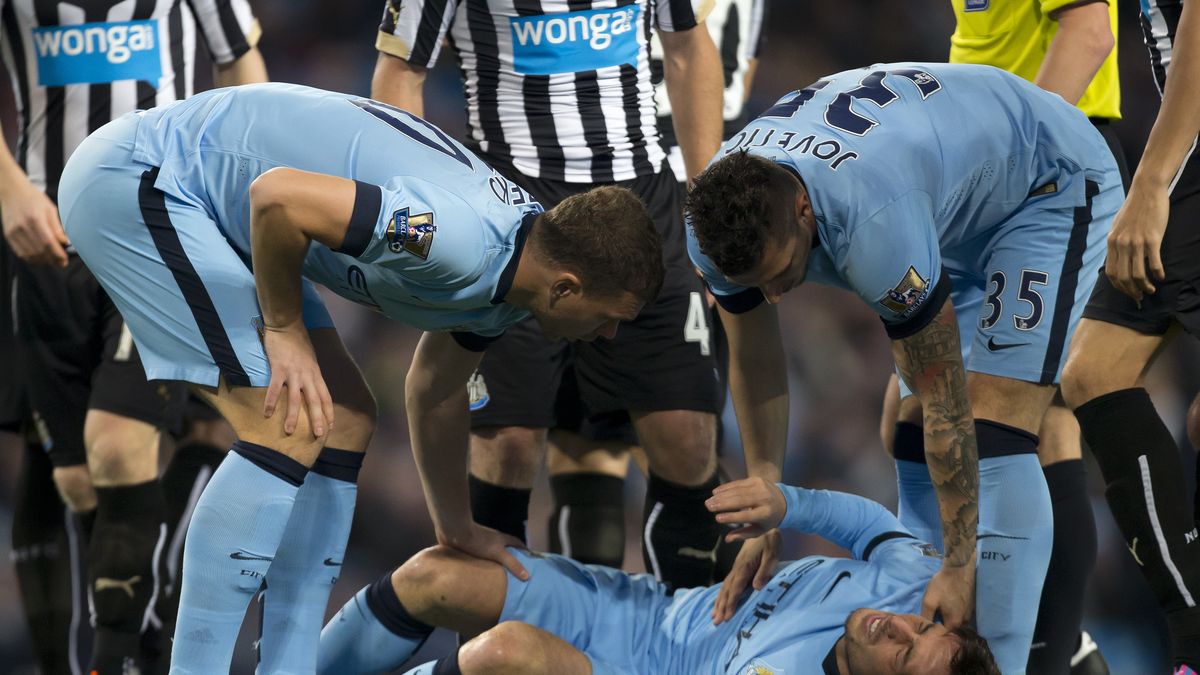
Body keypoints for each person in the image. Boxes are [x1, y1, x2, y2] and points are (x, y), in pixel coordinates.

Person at [57, 82, 666, 673]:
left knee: (344, 418)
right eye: (611, 319)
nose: (610, 336)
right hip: (141, 178)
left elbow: (435, 389)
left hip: (211, 205)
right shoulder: (451, 240)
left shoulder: (516, 278)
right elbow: (279, 197)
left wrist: (455, 526)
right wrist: (285, 329)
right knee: (286, 421)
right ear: (568, 288)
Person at [686, 62, 1123, 672]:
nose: (778, 296)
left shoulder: (870, 220)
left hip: (1045, 186)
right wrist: (768, 498)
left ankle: (1014, 657)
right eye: (757, 285)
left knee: (992, 426)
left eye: (783, 271)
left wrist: (960, 564)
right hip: (950, 204)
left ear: (804, 209)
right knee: (906, 423)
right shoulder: (710, 226)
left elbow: (949, 401)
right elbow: (756, 360)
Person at [370, 0, 729, 591]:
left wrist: (706, 206)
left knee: (688, 441)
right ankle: (494, 649)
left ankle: (683, 648)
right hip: (514, 213)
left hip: (646, 204)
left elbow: (688, 47)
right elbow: (401, 71)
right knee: (508, 448)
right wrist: (430, 221)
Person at [0, 0, 264, 670]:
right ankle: (143, 642)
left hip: (157, 229)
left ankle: (130, 648)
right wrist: (8, 192)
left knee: (121, 445)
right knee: (76, 480)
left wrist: (252, 202)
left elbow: (242, 69)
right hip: (43, 238)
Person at [877, 1, 1125, 671]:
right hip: (986, 173)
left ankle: (1053, 651)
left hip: (1052, 167)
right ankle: (953, 612)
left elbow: (1091, 30)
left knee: (1026, 426)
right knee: (911, 418)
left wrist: (1013, 158)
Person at [319, 475, 1008, 675]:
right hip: (647, 611)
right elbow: (866, 523)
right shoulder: (908, 586)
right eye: (921, 630)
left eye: (899, 657)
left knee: (504, 654)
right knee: (436, 575)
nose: (897, 627)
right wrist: (786, 506)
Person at [543, 0, 767, 573]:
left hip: (643, 201)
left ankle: (657, 636)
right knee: (659, 443)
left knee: (620, 445)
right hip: (677, 205)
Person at [1058, 0, 1200, 672]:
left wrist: (1150, 181)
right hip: (1189, 157)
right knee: (1092, 371)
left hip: (1180, 163)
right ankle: (1193, 630)